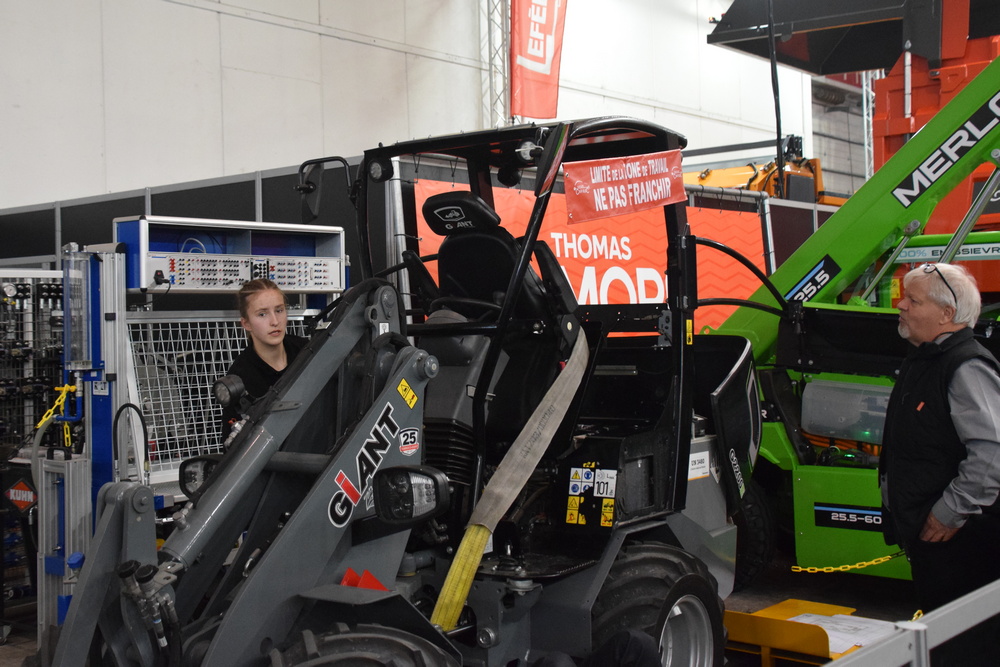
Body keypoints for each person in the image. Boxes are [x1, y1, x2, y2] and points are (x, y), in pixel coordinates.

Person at [880, 262, 1000, 665]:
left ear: (947, 314)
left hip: (961, 543)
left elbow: (992, 452)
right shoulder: (925, 358)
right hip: (934, 540)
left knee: (966, 646)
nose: (901, 306)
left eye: (913, 300)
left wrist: (949, 513)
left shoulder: (965, 365)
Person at [220, 279, 308, 439]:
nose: (275, 321)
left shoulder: (307, 351)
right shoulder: (241, 378)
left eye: (279, 310)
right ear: (246, 323)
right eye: (262, 314)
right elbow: (233, 447)